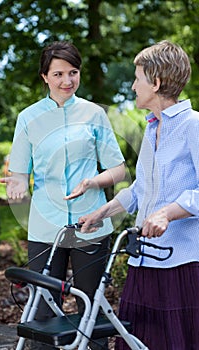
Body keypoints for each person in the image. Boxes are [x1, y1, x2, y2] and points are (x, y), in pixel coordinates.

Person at [0, 41, 125, 349]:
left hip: (91, 223)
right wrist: (16, 184)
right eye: (58, 74)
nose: (67, 81)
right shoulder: (28, 118)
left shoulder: (94, 114)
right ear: (45, 77)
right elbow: (18, 172)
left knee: (92, 309)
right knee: (42, 308)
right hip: (45, 226)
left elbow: (118, 169)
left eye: (73, 72)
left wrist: (94, 182)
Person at [78, 40, 199, 350]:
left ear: (156, 82)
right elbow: (140, 189)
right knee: (137, 341)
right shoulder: (151, 128)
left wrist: (168, 212)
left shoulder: (193, 126)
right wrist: (102, 213)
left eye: (138, 78)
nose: (132, 86)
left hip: (181, 263)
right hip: (143, 260)